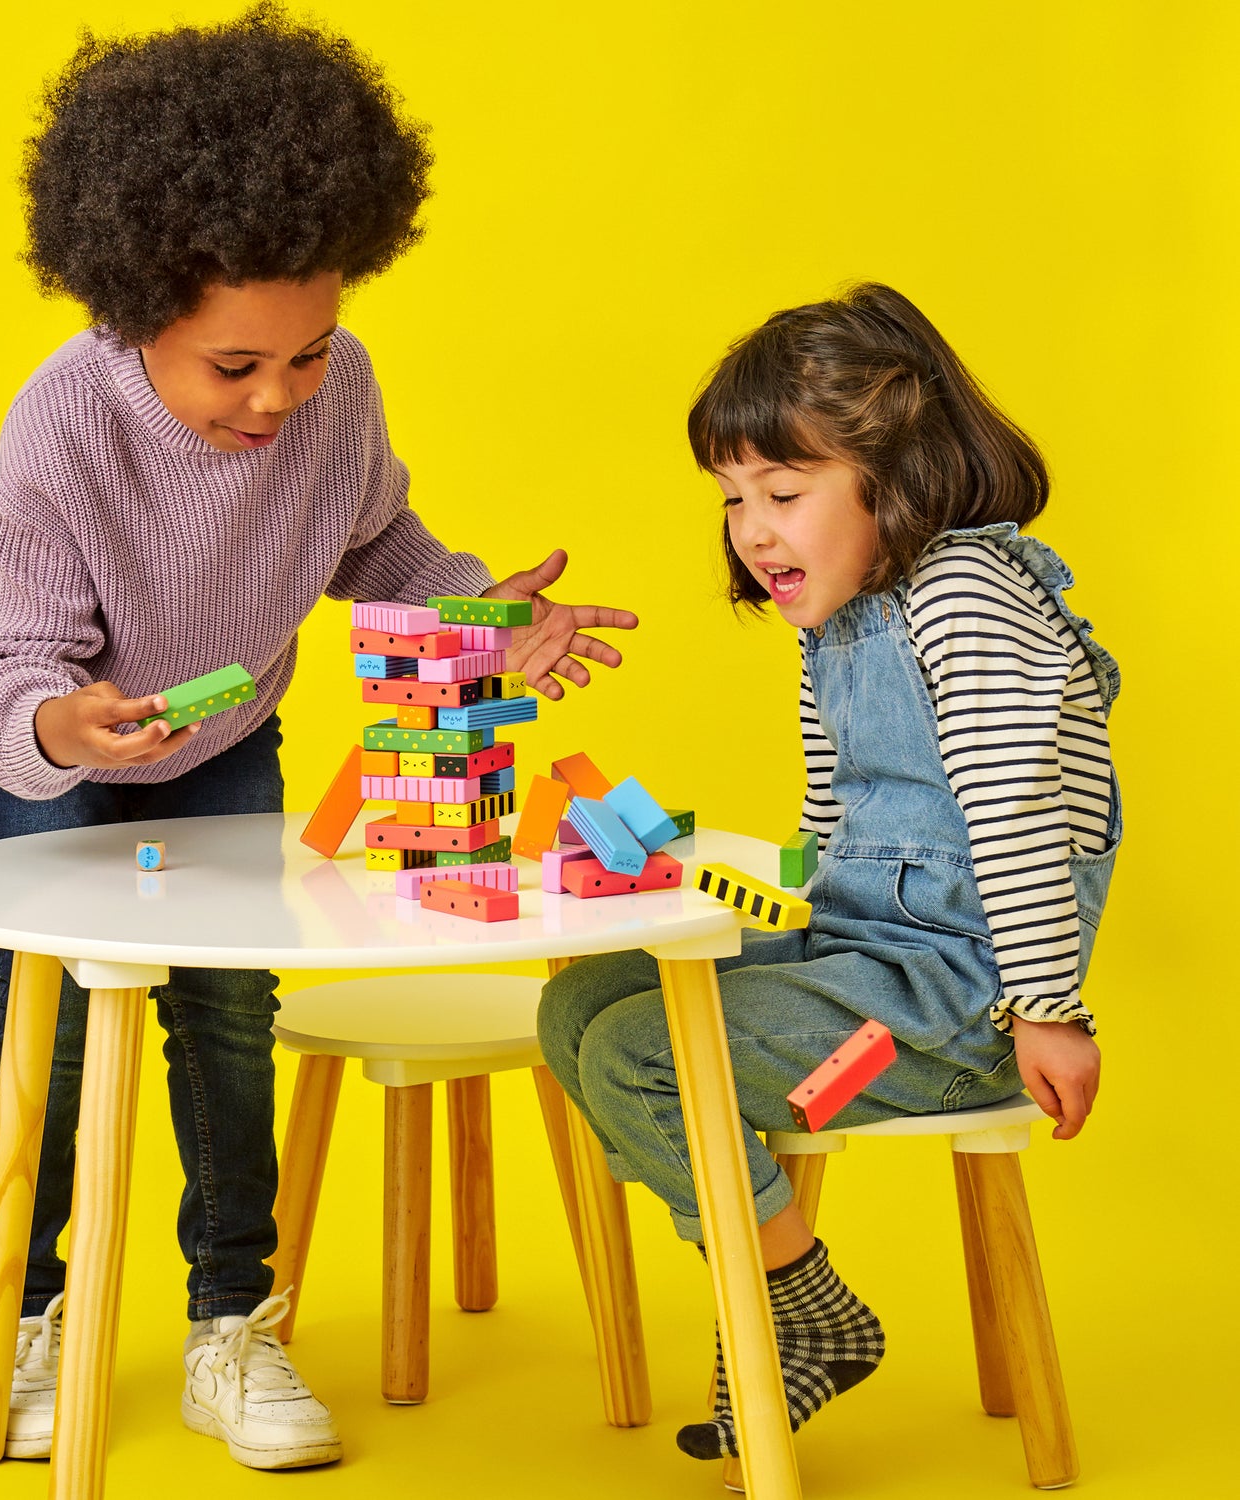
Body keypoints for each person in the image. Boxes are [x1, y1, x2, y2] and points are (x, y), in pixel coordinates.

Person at [0, 6, 635, 1471]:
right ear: (135, 316)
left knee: (227, 1017)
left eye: (307, 355)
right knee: (57, 1023)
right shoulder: (65, 423)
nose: (282, 398)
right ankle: (33, 1308)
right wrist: (63, 722)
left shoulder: (339, 392)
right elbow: (2, 657)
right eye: (236, 367)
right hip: (67, 756)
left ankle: (231, 1322)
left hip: (228, 739)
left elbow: (376, 548)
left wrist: (476, 615)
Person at [537, 282, 1118, 1461]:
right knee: (578, 1001)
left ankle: (799, 1309)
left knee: (647, 1054)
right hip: (858, 954)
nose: (753, 530)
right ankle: (793, 1290)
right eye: (735, 498)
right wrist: (740, 907)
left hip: (956, 1010)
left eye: (786, 494)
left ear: (894, 479)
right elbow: (829, 817)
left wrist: (1049, 1013)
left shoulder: (965, 600)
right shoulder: (841, 622)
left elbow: (1014, 820)